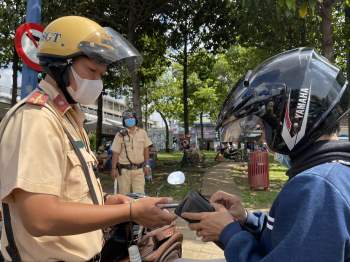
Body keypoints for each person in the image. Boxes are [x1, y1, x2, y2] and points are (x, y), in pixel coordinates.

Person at [0, 16, 176, 261]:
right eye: (91, 71)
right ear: (60, 65)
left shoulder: (69, 118)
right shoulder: (36, 119)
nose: (97, 82)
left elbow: (66, 191)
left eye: (101, 74)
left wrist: (103, 201)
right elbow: (40, 217)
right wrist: (130, 211)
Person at [181, 47, 350, 261]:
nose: (263, 137)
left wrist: (229, 233)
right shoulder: (334, 174)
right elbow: (290, 240)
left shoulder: (318, 188)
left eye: (263, 126)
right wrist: (246, 219)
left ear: (290, 118)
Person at [111, 110, 153, 194]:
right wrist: (113, 169)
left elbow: (146, 149)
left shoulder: (142, 133)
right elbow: (115, 153)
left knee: (140, 196)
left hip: (139, 170)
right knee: (124, 196)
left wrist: (147, 165)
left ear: (135, 119)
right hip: (123, 172)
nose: (129, 120)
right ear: (124, 121)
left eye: (131, 118)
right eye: (127, 118)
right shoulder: (120, 135)